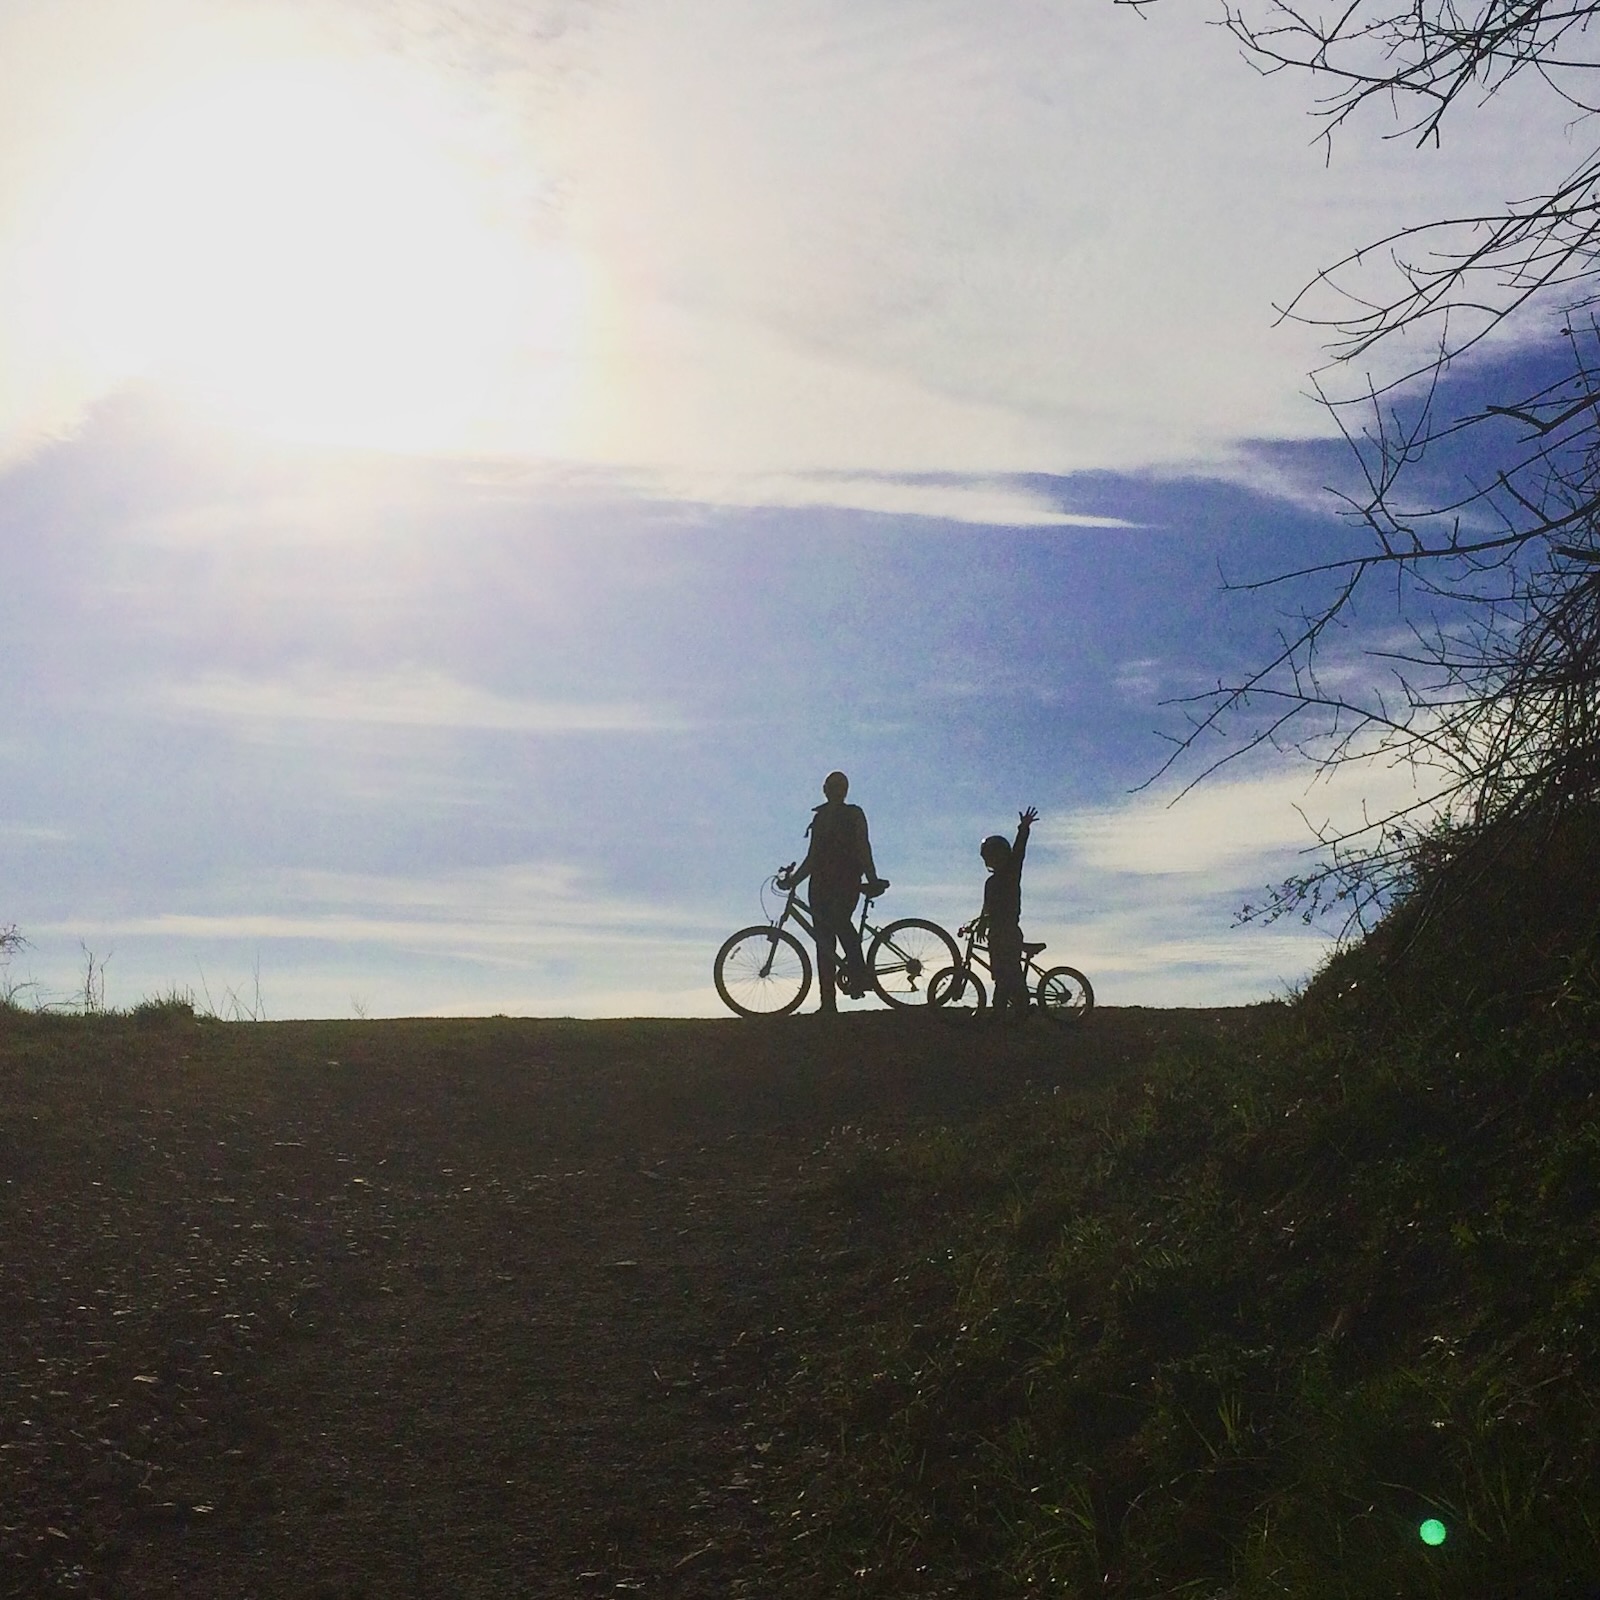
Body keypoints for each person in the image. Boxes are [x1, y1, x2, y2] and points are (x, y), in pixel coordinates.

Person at [779, 771, 888, 1012]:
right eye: (832, 786)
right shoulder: (821, 818)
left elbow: (863, 846)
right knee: (824, 942)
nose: (835, 790)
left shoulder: (853, 814)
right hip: (821, 885)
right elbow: (813, 857)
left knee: (838, 923)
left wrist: (871, 878)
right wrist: (794, 880)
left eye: (838, 786)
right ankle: (828, 1003)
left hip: (844, 882)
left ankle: (859, 974)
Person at [978, 806, 1038, 1020]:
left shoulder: (1011, 873)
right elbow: (986, 908)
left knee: (1008, 973)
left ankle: (1009, 1010)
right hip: (996, 934)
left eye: (992, 856)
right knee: (1000, 974)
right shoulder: (990, 883)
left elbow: (1019, 850)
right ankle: (1006, 1010)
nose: (989, 861)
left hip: (1008, 932)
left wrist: (1023, 829)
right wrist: (980, 923)